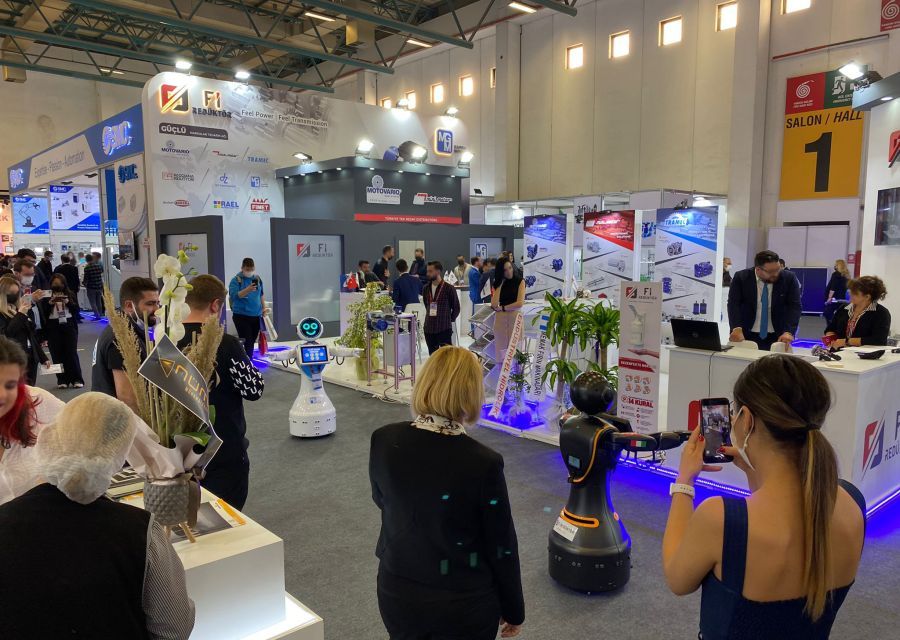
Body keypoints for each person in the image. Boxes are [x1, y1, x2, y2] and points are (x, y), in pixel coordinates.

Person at [662, 355, 865, 639]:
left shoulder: (721, 519)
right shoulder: (853, 502)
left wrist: (684, 482)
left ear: (747, 419)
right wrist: (752, 469)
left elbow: (677, 578)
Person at [0, 392, 195, 639]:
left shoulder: (5, 520)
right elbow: (174, 628)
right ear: (120, 456)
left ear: (48, 438)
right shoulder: (141, 530)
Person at [369, 346, 524, 640]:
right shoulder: (483, 463)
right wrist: (514, 609)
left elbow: (382, 500)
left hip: (397, 588)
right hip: (462, 602)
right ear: (472, 393)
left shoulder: (384, 439)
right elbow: (501, 545)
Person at [179, 275, 263, 509]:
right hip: (223, 450)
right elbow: (253, 389)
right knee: (225, 516)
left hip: (176, 451)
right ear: (215, 305)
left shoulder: (166, 341)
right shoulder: (224, 343)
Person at [0, 336, 65, 505]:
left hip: (39, 517)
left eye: (10, 385)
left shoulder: (38, 402)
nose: (2, 395)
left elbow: (83, 435)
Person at [91, 277, 161, 413]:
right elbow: (127, 397)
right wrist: (145, 425)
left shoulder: (126, 330)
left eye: (158, 303)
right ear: (129, 306)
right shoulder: (121, 339)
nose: (157, 309)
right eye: (150, 304)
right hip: (117, 420)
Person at [727, 250, 801, 350]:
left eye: (778, 269)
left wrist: (789, 332)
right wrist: (736, 328)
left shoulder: (789, 278)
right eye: (771, 272)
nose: (776, 274)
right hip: (745, 334)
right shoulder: (741, 277)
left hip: (779, 335)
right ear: (758, 269)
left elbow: (794, 306)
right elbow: (733, 304)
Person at [0, 276, 49, 385]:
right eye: (11, 293)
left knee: (30, 389)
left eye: (17, 292)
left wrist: (43, 357)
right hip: (13, 359)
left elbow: (30, 335)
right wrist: (20, 315)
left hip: (30, 357)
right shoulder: (5, 314)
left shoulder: (17, 309)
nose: (15, 296)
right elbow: (6, 335)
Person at [38, 273, 84, 389]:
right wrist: (50, 303)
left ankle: (77, 379)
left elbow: (76, 311)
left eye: (59, 283)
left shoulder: (70, 294)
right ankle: (62, 379)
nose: (57, 285)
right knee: (56, 353)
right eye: (55, 283)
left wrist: (68, 302)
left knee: (71, 352)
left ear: (64, 284)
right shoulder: (47, 295)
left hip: (68, 324)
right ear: (51, 284)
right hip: (53, 325)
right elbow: (43, 313)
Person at [824, 275, 891, 348]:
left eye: (855, 293)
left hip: (863, 354)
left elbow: (878, 340)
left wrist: (846, 342)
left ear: (867, 297)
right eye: (851, 291)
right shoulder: (843, 308)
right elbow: (831, 328)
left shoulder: (881, 313)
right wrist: (830, 336)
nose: (850, 294)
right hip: (838, 352)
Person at [228, 258, 268, 357]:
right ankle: (248, 362)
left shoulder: (257, 279)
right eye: (247, 269)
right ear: (242, 268)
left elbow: (261, 294)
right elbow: (234, 296)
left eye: (251, 269)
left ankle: (246, 359)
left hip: (256, 316)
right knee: (247, 342)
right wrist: (248, 289)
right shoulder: (236, 280)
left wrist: (264, 308)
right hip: (241, 316)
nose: (249, 271)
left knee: (252, 341)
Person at [422, 261, 460, 354]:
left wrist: (449, 320)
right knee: (433, 356)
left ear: (438, 271)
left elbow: (456, 308)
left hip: (444, 328)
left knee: (447, 356)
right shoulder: (425, 288)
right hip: (429, 328)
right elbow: (426, 305)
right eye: (427, 271)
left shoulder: (449, 288)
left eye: (430, 271)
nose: (428, 274)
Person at [491, 257, 527, 355]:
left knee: (516, 349)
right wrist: (500, 284)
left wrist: (503, 308)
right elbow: (494, 304)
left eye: (510, 268)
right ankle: (501, 365)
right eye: (505, 270)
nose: (509, 272)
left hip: (515, 318)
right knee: (501, 348)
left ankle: (516, 365)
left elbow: (519, 303)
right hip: (500, 319)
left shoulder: (520, 281)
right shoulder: (497, 284)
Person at [54, 253, 82, 322]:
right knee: (74, 301)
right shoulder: (74, 268)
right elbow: (76, 279)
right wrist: (78, 286)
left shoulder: (58, 268)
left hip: (63, 288)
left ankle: (66, 316)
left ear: (62, 260)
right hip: (73, 288)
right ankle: (77, 316)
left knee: (64, 302)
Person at [82, 253, 105, 320]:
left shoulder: (87, 268)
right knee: (99, 301)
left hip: (91, 287)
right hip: (99, 286)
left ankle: (97, 316)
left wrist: (84, 284)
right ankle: (100, 314)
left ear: (86, 260)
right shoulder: (98, 266)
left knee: (93, 302)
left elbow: (86, 279)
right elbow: (101, 273)